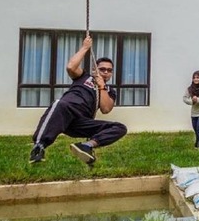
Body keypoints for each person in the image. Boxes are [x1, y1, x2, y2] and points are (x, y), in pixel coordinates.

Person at [28, 35, 127, 166]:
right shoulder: (83, 77)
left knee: (120, 128)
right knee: (59, 103)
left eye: (109, 70)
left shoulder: (109, 90)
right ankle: (39, 147)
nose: (106, 72)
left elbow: (106, 109)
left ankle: (87, 146)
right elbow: (71, 67)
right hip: (66, 112)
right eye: (102, 69)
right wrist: (85, 47)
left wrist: (102, 86)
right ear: (94, 69)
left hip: (81, 122)